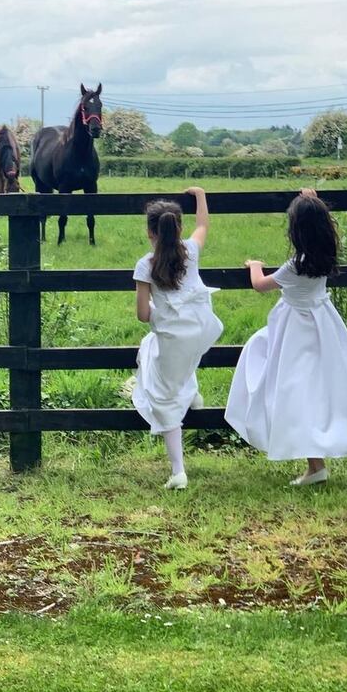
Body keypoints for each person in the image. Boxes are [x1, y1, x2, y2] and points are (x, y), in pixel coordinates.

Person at [225, 188, 347, 485]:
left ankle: (315, 465)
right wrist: (311, 200)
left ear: (296, 231)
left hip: (294, 332)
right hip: (323, 326)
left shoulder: (295, 265)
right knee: (315, 391)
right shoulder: (324, 256)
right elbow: (319, 221)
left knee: (289, 388)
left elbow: (260, 285)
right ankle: (316, 465)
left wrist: (254, 265)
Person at [130, 187, 224, 489]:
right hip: (201, 326)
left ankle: (178, 471)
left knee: (162, 394)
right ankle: (191, 390)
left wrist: (161, 308)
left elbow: (143, 315)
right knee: (172, 351)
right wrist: (200, 196)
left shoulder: (145, 265)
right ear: (178, 227)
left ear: (150, 232)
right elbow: (203, 225)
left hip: (174, 334)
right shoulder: (191, 252)